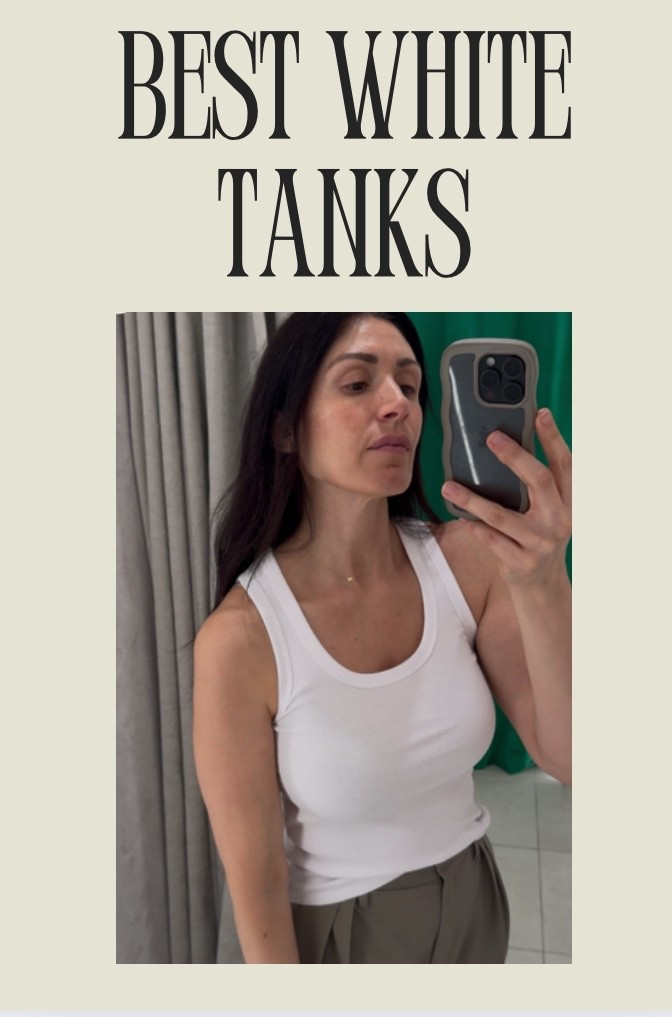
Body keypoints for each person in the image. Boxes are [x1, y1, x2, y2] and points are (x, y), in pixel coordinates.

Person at [193, 312, 571, 964]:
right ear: (285, 430)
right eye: (356, 383)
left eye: (411, 384)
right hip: (344, 935)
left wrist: (543, 579)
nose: (398, 404)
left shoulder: (467, 564)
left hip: (475, 901)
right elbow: (257, 886)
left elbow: (569, 754)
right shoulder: (242, 638)